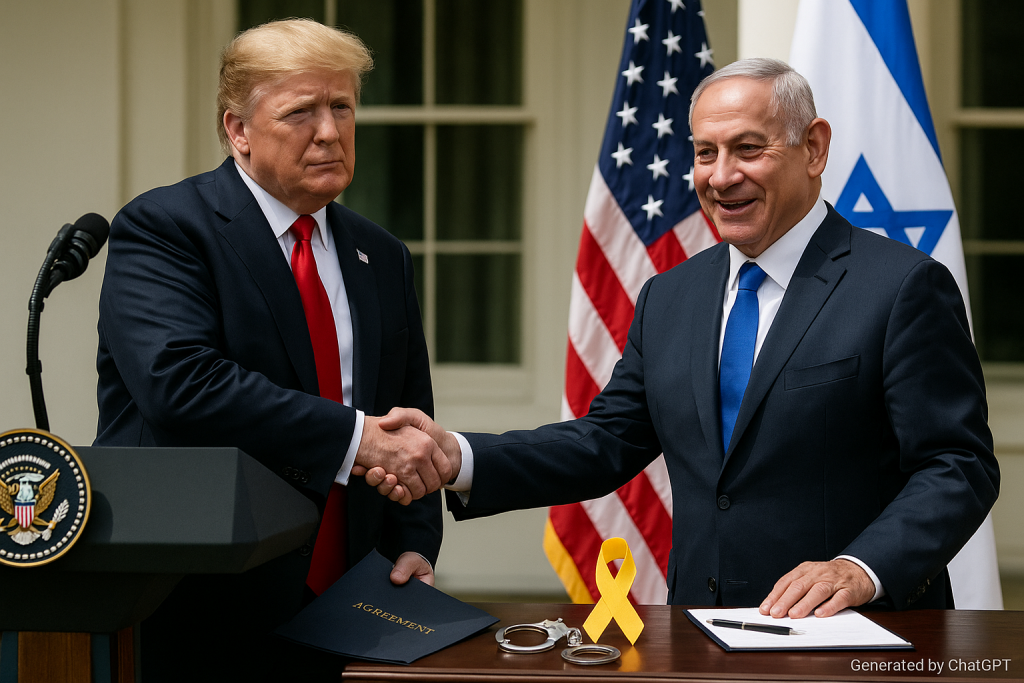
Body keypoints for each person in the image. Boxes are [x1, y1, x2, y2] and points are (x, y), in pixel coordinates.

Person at [362, 58, 1000, 618]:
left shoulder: (902, 287)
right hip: (700, 635)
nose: (721, 177)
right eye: (705, 153)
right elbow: (605, 442)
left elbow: (958, 465)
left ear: (813, 148)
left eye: (748, 149)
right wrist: (457, 457)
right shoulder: (670, 297)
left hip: (854, 634)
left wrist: (859, 569)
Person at [94, 19, 448, 680]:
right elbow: (181, 385)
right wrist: (357, 440)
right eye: (301, 112)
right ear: (238, 130)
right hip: (197, 604)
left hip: (354, 606)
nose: (329, 131)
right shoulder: (166, 228)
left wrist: (416, 542)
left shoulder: (381, 255)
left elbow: (407, 418)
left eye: (342, 106)